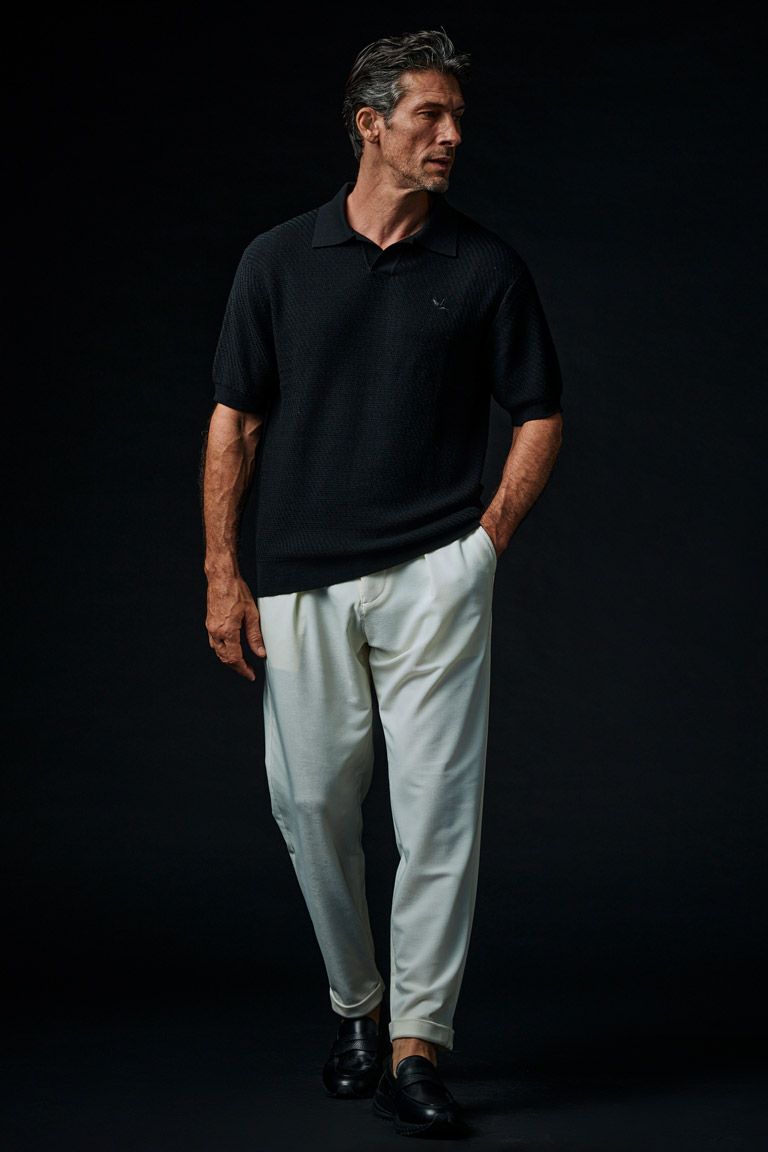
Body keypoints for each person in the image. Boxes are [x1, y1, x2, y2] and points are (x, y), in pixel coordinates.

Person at [202, 29, 563, 1140]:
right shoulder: (277, 260)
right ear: (370, 125)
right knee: (310, 804)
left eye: (457, 119)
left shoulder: (484, 267)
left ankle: (417, 1044)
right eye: (428, 116)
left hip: (434, 573)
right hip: (299, 578)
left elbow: (540, 413)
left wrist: (484, 544)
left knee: (437, 814)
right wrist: (222, 572)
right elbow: (235, 421)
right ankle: (356, 1005)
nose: (451, 136)